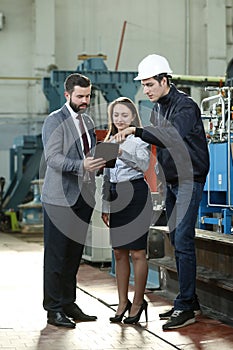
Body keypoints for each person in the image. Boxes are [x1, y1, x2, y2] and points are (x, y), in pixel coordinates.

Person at [113, 54, 210, 330]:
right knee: (177, 242)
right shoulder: (158, 109)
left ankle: (185, 306)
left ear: (165, 80)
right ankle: (187, 300)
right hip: (173, 181)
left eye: (150, 84)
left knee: (183, 238)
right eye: (143, 85)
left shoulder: (185, 107)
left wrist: (136, 130)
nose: (146, 90)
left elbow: (170, 137)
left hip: (190, 179)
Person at [41, 73, 106, 328]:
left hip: (83, 198)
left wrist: (101, 161)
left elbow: (89, 154)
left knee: (73, 255)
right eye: (80, 96)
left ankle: (68, 302)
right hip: (59, 200)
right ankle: (53, 309)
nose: (85, 100)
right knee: (56, 256)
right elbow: (53, 159)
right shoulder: (54, 121)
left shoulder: (88, 120)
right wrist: (82, 165)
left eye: (88, 96)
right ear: (67, 95)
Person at [101, 97, 153, 324]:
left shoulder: (138, 138)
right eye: (116, 115)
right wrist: (105, 205)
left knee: (137, 252)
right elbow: (106, 175)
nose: (119, 119)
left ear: (132, 117)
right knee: (119, 252)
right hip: (116, 197)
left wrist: (121, 151)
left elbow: (143, 165)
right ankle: (123, 302)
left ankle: (139, 302)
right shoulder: (109, 140)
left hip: (136, 194)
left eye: (124, 115)